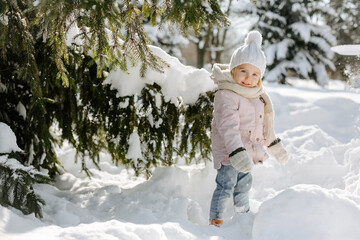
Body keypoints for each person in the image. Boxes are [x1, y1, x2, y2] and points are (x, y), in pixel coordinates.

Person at [209, 30, 289, 227]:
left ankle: (242, 216)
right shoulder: (226, 94)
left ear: (260, 78)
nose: (248, 78)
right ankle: (216, 220)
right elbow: (227, 126)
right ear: (234, 69)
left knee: (244, 186)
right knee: (226, 186)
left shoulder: (257, 95)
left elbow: (263, 125)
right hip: (231, 153)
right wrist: (237, 152)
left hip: (249, 152)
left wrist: (274, 147)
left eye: (255, 74)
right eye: (243, 71)